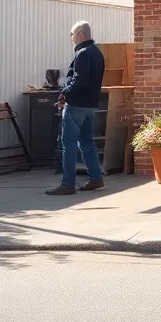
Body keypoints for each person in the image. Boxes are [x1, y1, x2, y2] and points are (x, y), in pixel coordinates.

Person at [46, 21, 106, 196]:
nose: (71, 38)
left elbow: (80, 80)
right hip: (91, 104)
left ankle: (68, 183)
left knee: (68, 143)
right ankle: (96, 178)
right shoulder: (97, 53)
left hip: (77, 104)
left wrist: (64, 93)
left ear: (81, 35)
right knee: (87, 142)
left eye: (72, 35)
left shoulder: (83, 53)